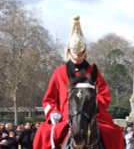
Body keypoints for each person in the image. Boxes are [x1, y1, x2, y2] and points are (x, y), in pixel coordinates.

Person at [33, 16, 125, 149]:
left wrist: (95, 105)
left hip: (91, 115)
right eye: (74, 53)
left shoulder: (93, 71)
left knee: (114, 134)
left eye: (80, 53)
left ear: (84, 52)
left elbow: (104, 94)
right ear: (69, 51)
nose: (77, 56)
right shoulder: (59, 72)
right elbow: (49, 99)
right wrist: (53, 113)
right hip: (65, 118)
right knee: (43, 134)